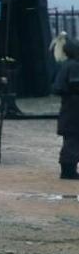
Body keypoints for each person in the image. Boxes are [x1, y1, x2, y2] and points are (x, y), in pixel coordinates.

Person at [52, 35, 79, 180]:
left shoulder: (67, 65)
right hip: (74, 108)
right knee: (73, 139)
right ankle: (68, 170)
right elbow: (74, 85)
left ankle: (69, 168)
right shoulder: (74, 66)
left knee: (71, 139)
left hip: (69, 106)